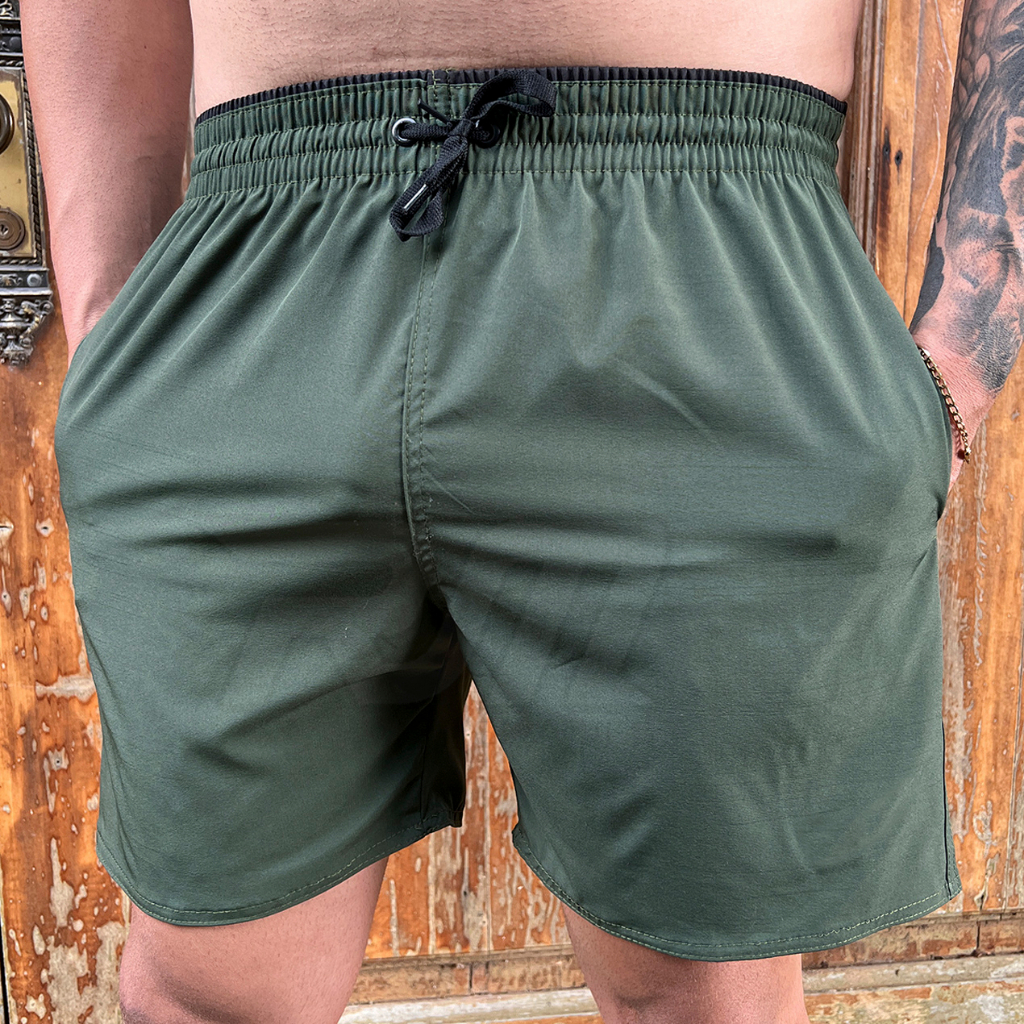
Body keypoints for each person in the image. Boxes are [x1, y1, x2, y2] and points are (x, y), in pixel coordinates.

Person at [20, 0, 1023, 1020]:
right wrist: (108, 321)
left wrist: (962, 353)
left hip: (696, 246)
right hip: (249, 260)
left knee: (699, 987)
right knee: (202, 991)